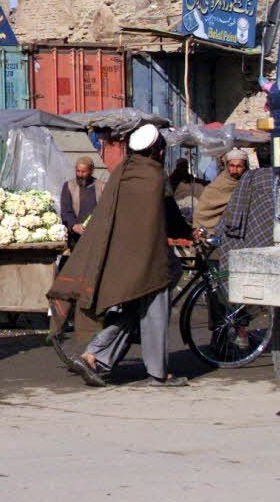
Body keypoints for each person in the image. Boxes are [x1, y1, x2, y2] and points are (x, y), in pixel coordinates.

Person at [49, 123, 192, 387]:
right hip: (149, 258)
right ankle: (159, 373)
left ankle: (94, 356)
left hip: (119, 258)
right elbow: (169, 213)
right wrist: (190, 233)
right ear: (156, 150)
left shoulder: (122, 173)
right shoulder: (154, 175)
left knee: (131, 310)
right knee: (155, 312)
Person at [192, 149, 249, 239]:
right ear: (227, 166)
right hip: (215, 232)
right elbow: (202, 211)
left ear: (245, 167)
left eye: (239, 166)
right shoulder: (217, 185)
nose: (234, 170)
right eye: (232, 166)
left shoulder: (248, 182)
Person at [59, 157, 104, 250]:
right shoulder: (69, 186)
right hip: (75, 236)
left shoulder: (101, 186)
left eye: (83, 172)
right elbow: (65, 211)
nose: (80, 174)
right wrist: (74, 226)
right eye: (78, 171)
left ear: (91, 171)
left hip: (95, 235)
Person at [169, 158, 205, 223]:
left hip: (189, 198)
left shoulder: (187, 176)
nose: (186, 168)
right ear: (179, 167)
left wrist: (204, 182)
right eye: (184, 166)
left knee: (199, 188)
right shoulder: (174, 177)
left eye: (186, 166)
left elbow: (195, 179)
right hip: (179, 199)